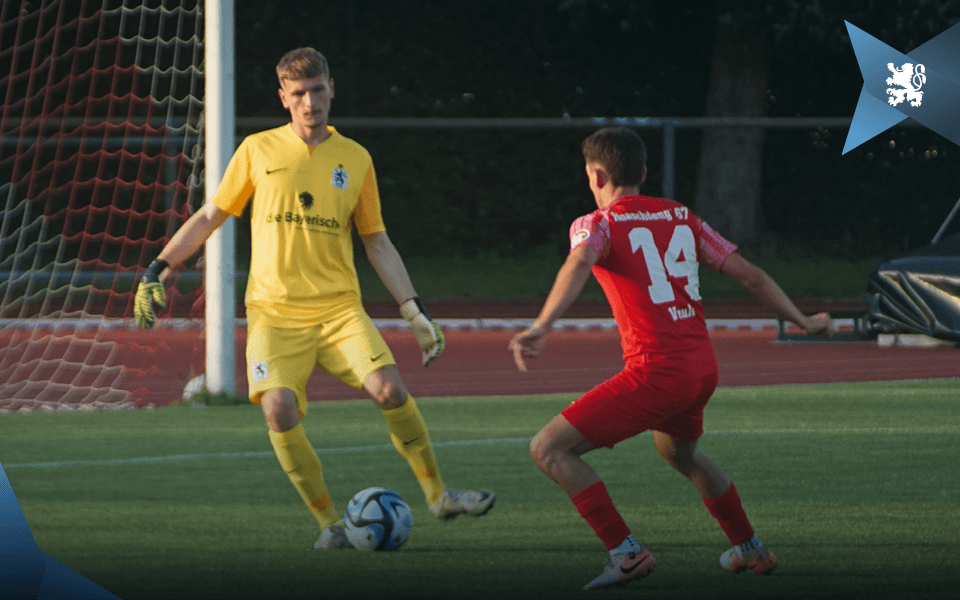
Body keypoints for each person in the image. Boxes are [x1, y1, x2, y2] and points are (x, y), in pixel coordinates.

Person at [134, 47, 494, 549]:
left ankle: (438, 495)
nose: (310, 102)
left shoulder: (356, 158)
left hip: (339, 310)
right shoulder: (257, 150)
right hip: (274, 315)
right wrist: (160, 266)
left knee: (390, 389)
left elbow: (376, 240)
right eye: (298, 93)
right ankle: (329, 524)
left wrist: (413, 309)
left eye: (318, 90)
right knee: (277, 408)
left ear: (331, 90)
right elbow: (211, 215)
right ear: (284, 98)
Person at [509, 127, 833, 590]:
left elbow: (580, 261)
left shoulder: (595, 223)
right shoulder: (682, 217)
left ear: (597, 175)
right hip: (701, 369)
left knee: (548, 449)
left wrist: (541, 325)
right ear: (642, 172)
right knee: (680, 454)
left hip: (657, 374)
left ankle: (626, 553)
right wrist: (802, 320)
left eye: (588, 176)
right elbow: (752, 277)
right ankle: (750, 549)